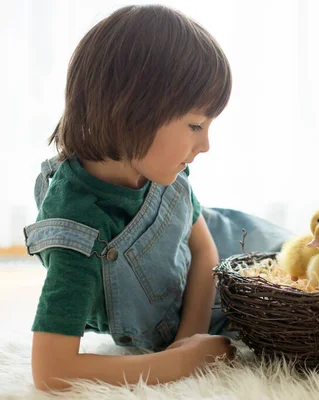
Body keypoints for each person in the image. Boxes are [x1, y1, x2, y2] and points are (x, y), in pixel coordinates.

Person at [23, 4, 292, 391]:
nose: (206, 145)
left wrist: (187, 342)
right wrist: (176, 363)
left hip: (241, 242)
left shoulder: (158, 167)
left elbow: (206, 249)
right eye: (196, 125)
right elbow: (50, 370)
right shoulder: (77, 228)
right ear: (132, 113)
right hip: (219, 292)